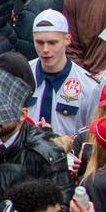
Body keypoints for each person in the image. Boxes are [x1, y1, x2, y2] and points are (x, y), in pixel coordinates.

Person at [28, 10, 99, 142]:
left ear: (67, 39)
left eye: (52, 42)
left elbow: (91, 137)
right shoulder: (23, 74)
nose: (45, 49)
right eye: (39, 42)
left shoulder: (89, 87)